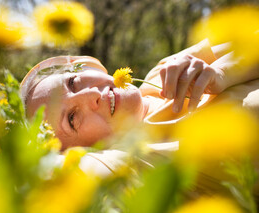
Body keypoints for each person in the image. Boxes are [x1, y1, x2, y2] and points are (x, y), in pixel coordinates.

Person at [20, 39, 259, 150]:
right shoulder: (149, 163)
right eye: (72, 118)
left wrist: (222, 72)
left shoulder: (164, 71)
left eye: (73, 82)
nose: (92, 93)